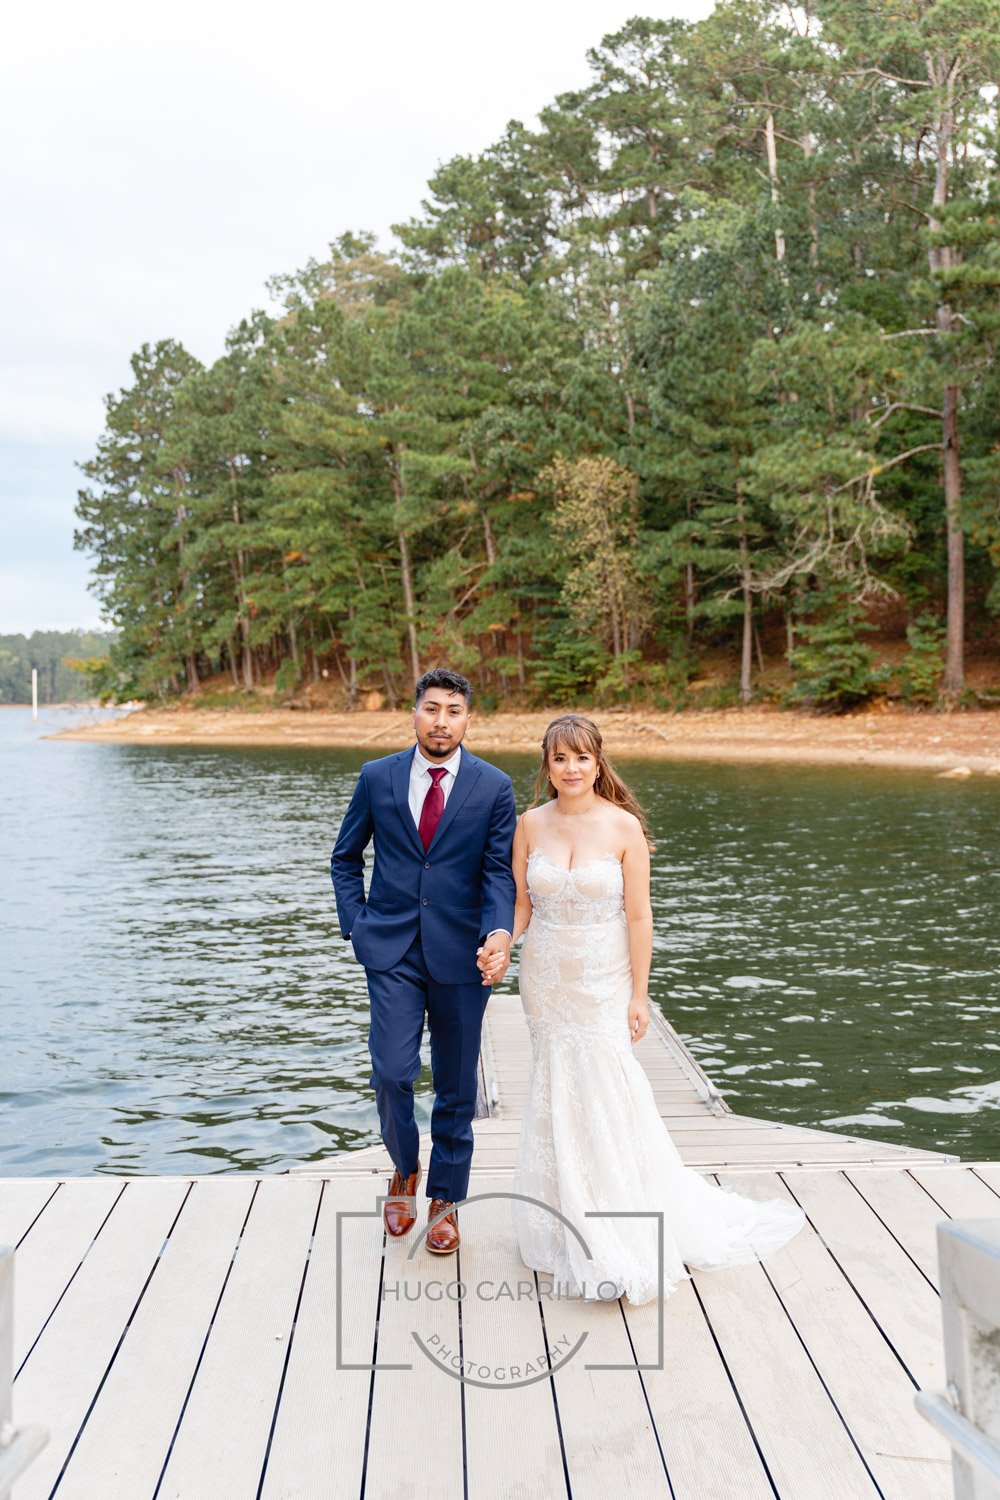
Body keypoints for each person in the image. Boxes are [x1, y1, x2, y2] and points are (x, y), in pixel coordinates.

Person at [478, 712, 806, 1304]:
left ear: (598, 762)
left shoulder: (624, 827)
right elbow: (522, 905)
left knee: (608, 1084)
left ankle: (622, 1218)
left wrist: (638, 993)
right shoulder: (529, 824)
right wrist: (503, 940)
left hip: (604, 976)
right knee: (557, 1086)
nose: (571, 769)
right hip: (548, 977)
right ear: (546, 767)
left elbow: (637, 916)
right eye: (560, 758)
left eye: (582, 757)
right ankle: (563, 1215)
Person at [330, 668, 516, 1254]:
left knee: (457, 1085)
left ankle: (445, 1200)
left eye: (453, 711)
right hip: (390, 949)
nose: (441, 721)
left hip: (462, 952)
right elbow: (344, 857)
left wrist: (499, 933)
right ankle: (404, 1169)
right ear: (414, 712)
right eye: (431, 709)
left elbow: (497, 872)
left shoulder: (493, 787)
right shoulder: (377, 777)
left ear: (468, 718)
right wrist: (356, 926)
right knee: (392, 1071)